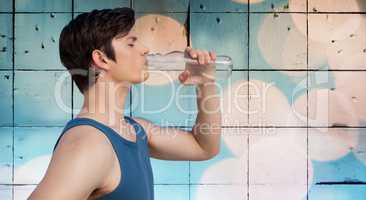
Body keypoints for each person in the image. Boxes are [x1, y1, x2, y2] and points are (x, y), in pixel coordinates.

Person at [28, 7, 221, 200]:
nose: (145, 49)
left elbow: (203, 146)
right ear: (101, 59)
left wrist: (205, 82)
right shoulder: (88, 143)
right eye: (131, 44)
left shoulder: (136, 130)